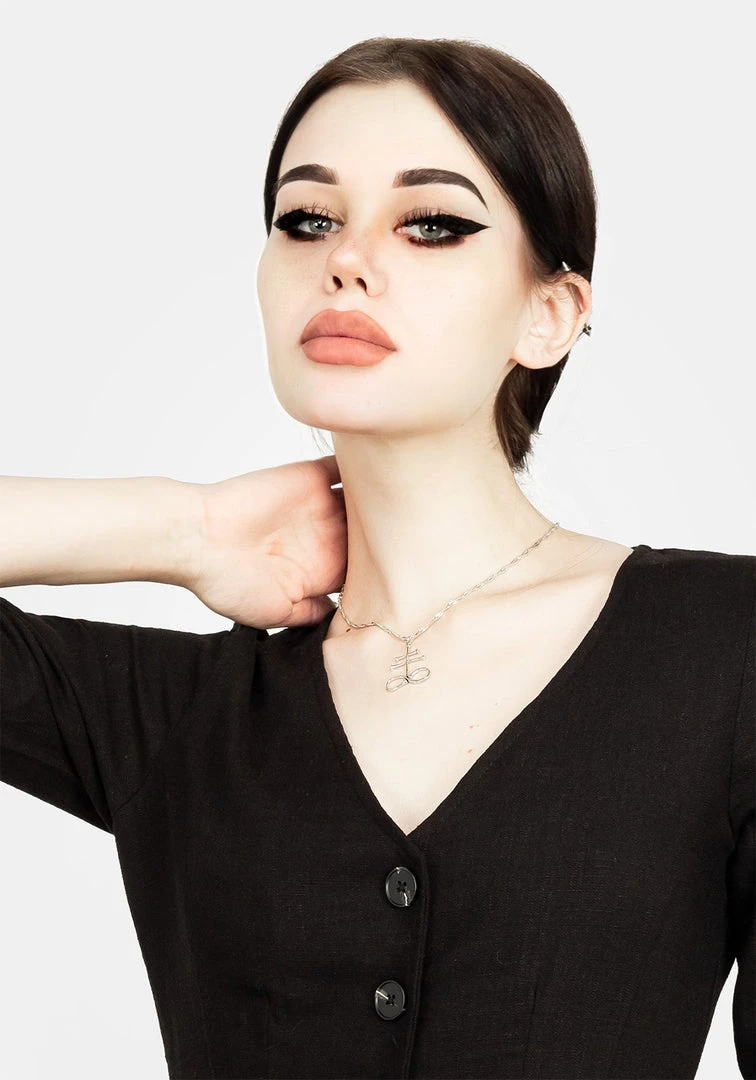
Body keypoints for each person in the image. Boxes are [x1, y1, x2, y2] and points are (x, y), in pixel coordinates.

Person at [1, 35, 753, 1080]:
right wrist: (186, 530)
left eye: (431, 223)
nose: (345, 259)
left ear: (548, 316)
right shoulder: (174, 717)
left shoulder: (727, 652)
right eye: (307, 219)